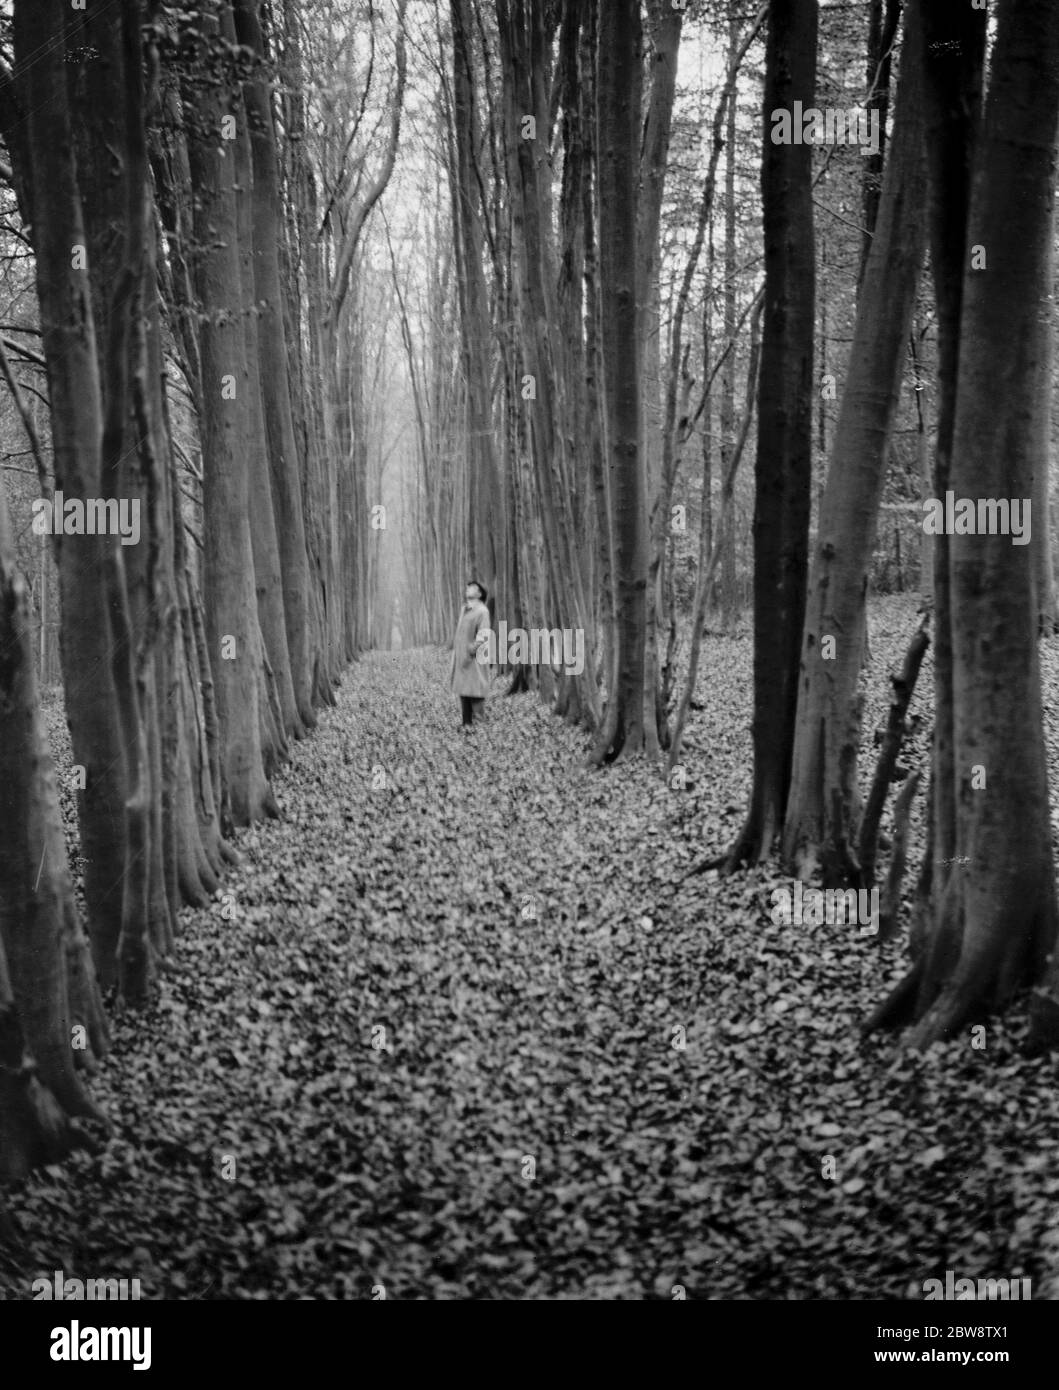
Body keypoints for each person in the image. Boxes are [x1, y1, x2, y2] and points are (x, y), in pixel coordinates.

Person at [450, 580, 491, 729]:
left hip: (474, 657)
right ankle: (466, 723)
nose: (468, 589)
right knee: (463, 690)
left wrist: (471, 650)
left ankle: (479, 725)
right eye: (467, 587)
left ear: (480, 594)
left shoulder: (482, 611)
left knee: (476, 691)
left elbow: (484, 635)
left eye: (472, 588)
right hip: (462, 657)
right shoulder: (464, 609)